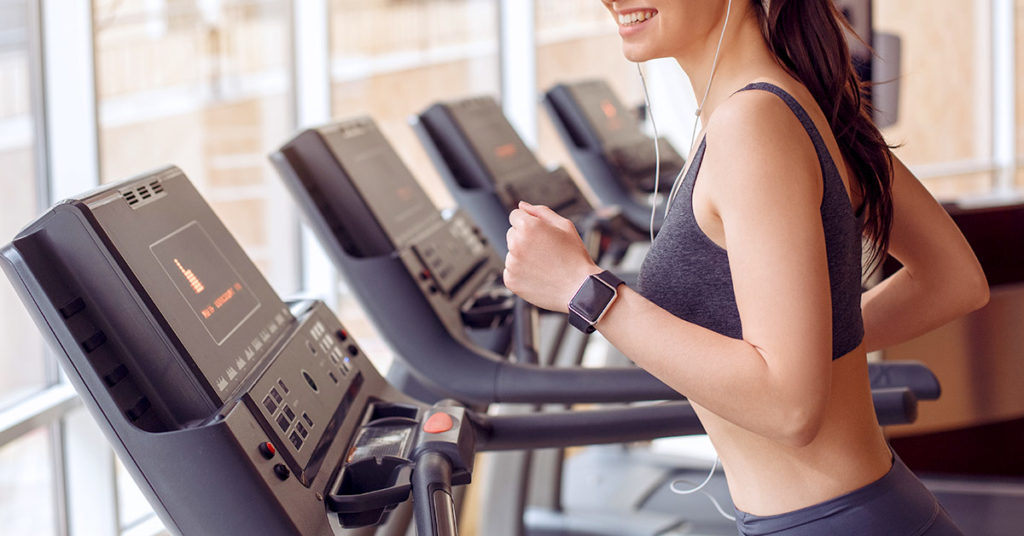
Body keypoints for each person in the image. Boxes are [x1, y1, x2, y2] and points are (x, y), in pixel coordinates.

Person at [503, 1, 989, 534]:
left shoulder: (751, 123)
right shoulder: (786, 100)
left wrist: (585, 290)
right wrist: (809, 350)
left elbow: (789, 410)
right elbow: (953, 280)